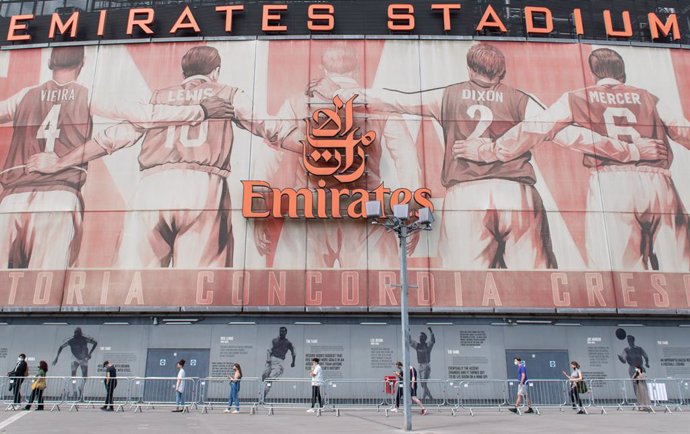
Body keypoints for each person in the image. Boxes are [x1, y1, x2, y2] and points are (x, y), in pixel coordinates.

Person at [314, 43, 650, 270]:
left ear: (470, 67)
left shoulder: (447, 95)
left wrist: (357, 94)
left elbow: (399, 100)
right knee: (536, 278)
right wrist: (628, 150)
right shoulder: (519, 98)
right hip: (517, 193)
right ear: (501, 73)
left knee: (467, 283)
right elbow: (566, 134)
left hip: (467, 194)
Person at [28, 45, 299, 269]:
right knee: (200, 290)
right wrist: (320, 149)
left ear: (184, 73)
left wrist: (60, 162)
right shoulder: (227, 94)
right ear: (215, 72)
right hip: (204, 186)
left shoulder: (156, 98)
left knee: (133, 288)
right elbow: (271, 128)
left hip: (152, 187)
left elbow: (111, 138)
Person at [0, 46, 232, 270]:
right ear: (82, 63)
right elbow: (145, 115)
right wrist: (200, 111)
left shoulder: (24, 96)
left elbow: (123, 132)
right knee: (45, 288)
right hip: (59, 195)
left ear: (50, 63)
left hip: (11, 198)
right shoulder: (87, 95)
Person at [457, 47, 689, 271]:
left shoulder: (577, 97)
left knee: (621, 273)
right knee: (680, 263)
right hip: (659, 182)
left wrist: (490, 150)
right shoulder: (648, 97)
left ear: (594, 73)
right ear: (623, 74)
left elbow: (536, 128)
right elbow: (684, 132)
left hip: (611, 182)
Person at [254, 41, 421, 268]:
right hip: (366, 207)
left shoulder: (296, 103)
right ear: (356, 71)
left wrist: (259, 209)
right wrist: (412, 213)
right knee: (380, 294)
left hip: (308, 207)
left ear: (323, 70)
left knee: (293, 296)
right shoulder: (380, 105)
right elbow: (407, 160)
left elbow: (268, 157)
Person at [53, 327, 97, 400]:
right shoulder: (71, 340)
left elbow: (95, 343)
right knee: (73, 374)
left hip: (83, 358)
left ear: (80, 333)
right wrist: (56, 358)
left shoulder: (84, 338)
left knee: (85, 376)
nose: (76, 334)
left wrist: (89, 353)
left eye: (77, 332)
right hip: (75, 358)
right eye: (75, 332)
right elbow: (61, 347)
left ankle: (80, 387)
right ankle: (74, 391)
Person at [261, 327, 296, 400]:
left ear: (286, 333)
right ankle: (261, 393)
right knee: (264, 376)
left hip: (279, 361)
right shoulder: (274, 340)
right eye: (280, 331)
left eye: (283, 331)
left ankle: (263, 396)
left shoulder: (288, 343)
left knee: (270, 379)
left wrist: (293, 362)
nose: (281, 333)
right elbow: (269, 350)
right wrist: (268, 359)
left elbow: (294, 352)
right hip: (271, 359)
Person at [409, 327, 435, 400]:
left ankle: (429, 397)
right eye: (420, 337)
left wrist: (431, 332)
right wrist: (408, 332)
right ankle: (426, 397)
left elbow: (433, 341)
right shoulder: (417, 345)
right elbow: (410, 341)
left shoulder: (428, 346)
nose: (420, 338)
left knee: (424, 383)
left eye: (422, 337)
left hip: (426, 365)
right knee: (423, 384)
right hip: (420, 366)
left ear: (424, 338)